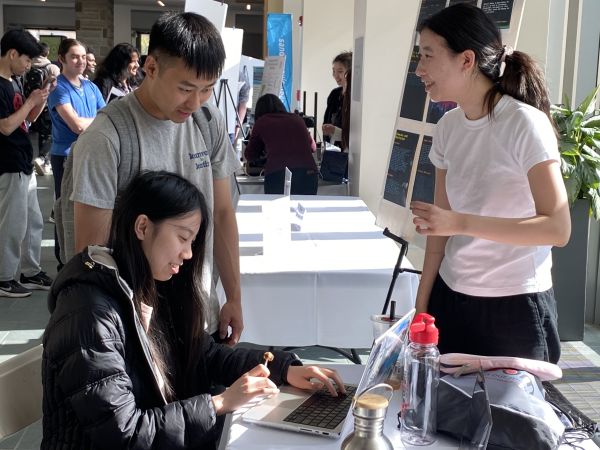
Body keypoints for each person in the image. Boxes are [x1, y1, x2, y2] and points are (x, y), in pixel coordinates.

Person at [42, 170, 345, 449]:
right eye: (183, 238)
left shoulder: (147, 282)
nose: (188, 253)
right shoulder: (89, 312)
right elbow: (125, 433)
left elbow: (205, 355)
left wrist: (283, 368)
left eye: (193, 241)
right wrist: (220, 403)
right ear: (143, 226)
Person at [70, 12, 244, 346]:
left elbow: (221, 213)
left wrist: (233, 295)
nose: (194, 102)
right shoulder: (107, 137)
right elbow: (91, 255)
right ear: (150, 68)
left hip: (197, 318)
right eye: (185, 88)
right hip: (136, 330)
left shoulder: (208, 121)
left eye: (207, 89)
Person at [410, 3, 571, 363]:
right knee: (443, 414)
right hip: (450, 297)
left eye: (428, 56)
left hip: (514, 309)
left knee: (511, 418)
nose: (419, 69)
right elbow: (440, 230)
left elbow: (557, 228)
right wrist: (421, 306)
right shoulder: (448, 127)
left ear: (466, 60)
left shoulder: (523, 123)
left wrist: (461, 223)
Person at [0, 29, 53, 297]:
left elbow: (24, 122)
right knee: (12, 224)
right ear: (12, 54)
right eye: (26, 60)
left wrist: (40, 101)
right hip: (7, 164)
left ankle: (29, 271)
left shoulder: (14, 81)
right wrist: (31, 101)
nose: (28, 65)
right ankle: (4, 277)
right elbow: (6, 127)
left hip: (23, 161)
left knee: (33, 221)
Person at [47, 38, 105, 269]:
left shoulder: (91, 87)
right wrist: (96, 122)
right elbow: (76, 125)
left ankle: (86, 258)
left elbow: (105, 118)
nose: (80, 61)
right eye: (74, 56)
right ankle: (65, 263)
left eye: (83, 56)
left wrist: (90, 122)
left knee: (87, 206)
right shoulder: (58, 88)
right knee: (65, 209)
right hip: (65, 156)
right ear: (62, 59)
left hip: (89, 154)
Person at [244, 93, 318, 195]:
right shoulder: (297, 119)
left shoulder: (261, 122)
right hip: (308, 174)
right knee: (304, 209)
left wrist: (254, 136)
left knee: (277, 210)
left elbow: (250, 155)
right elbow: (313, 147)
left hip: (278, 174)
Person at [27, 42, 59, 175]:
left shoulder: (28, 66)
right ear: (47, 53)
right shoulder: (51, 67)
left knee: (32, 132)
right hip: (46, 105)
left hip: (30, 104)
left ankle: (36, 159)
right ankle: (43, 159)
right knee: (47, 134)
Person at [322, 51, 351, 149]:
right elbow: (327, 119)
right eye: (334, 71)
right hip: (332, 148)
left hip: (347, 151)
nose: (335, 75)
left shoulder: (354, 98)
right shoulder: (334, 94)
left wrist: (334, 130)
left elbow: (354, 134)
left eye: (340, 71)